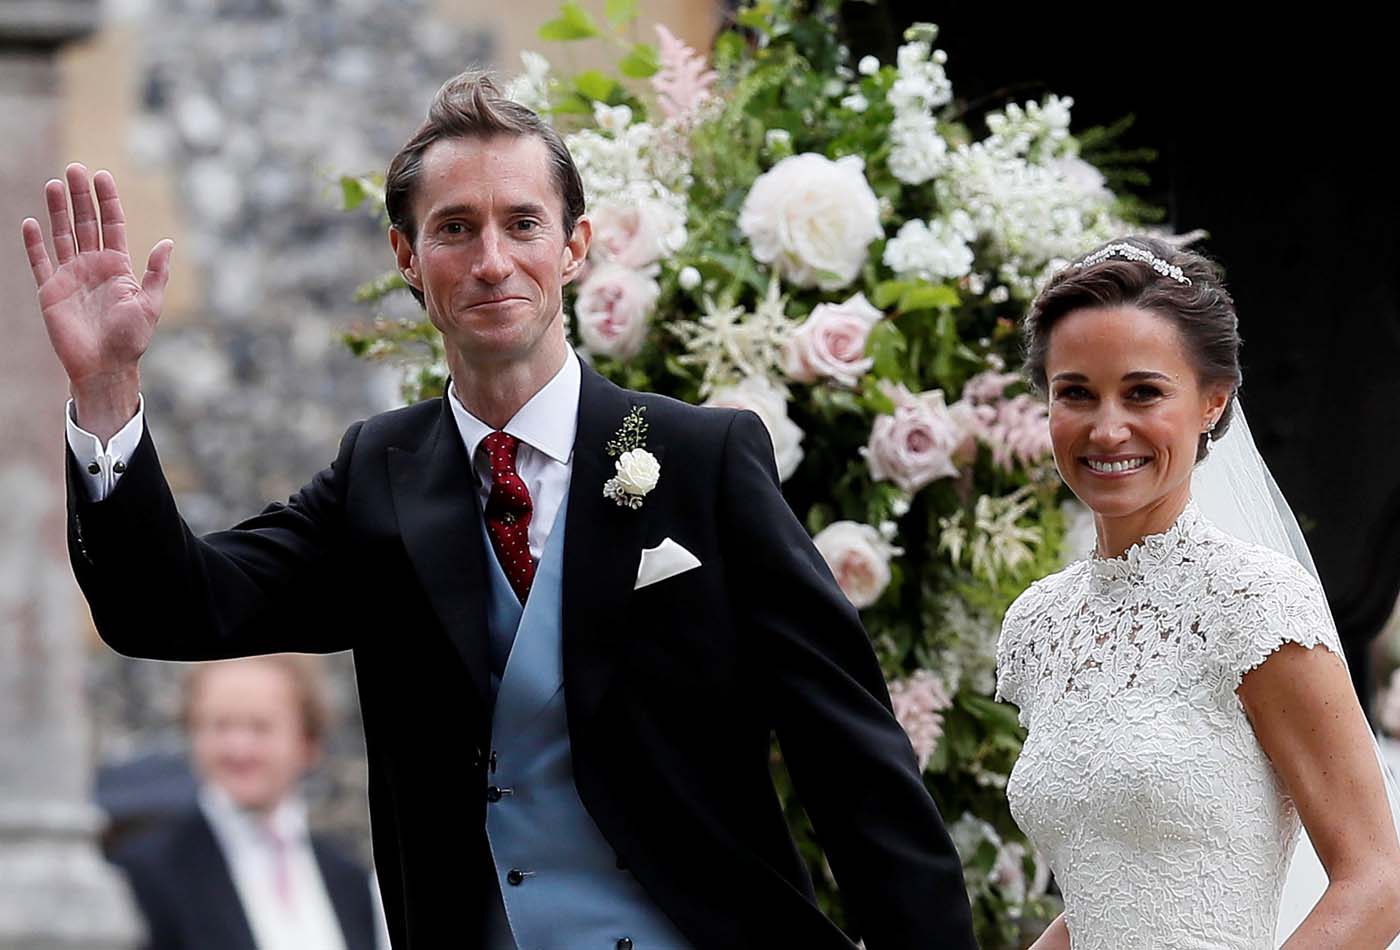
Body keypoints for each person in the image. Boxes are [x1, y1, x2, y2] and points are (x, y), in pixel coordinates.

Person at [21, 72, 976, 948]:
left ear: (574, 248)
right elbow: (169, 606)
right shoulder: (377, 477)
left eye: (522, 224)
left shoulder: (703, 463)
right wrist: (106, 388)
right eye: (454, 229)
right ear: (406, 256)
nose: (491, 261)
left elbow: (856, 769)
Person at [994, 236, 1400, 948]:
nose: (1107, 427)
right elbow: (1106, 897)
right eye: (1075, 394)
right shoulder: (1038, 624)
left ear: (1213, 402)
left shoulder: (1256, 605)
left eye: (1143, 392)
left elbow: (1378, 879)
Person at [110, 656, 386, 950]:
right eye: (220, 726)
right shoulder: (148, 872)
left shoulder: (349, 881)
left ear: (307, 743)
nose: (239, 748)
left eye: (260, 727)